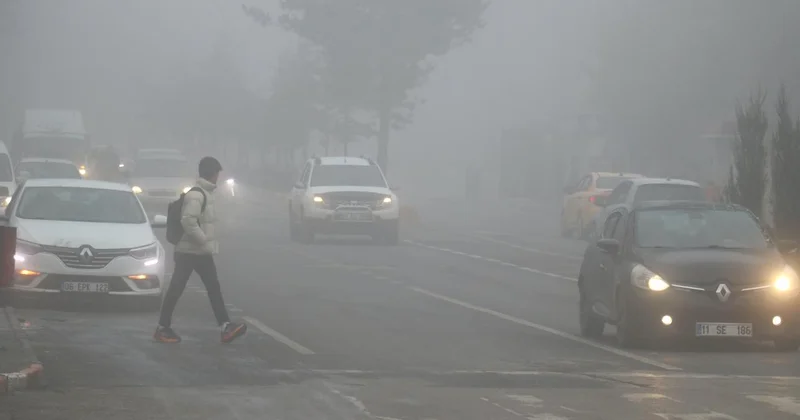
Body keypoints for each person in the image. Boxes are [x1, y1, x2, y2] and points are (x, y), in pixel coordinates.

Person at [154, 156, 247, 344]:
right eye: (218, 173)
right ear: (212, 174)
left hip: (197, 251)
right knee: (178, 289)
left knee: (211, 288)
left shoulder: (206, 193)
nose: (218, 177)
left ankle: (225, 326)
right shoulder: (197, 195)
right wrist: (203, 240)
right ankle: (163, 328)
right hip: (189, 251)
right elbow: (188, 221)